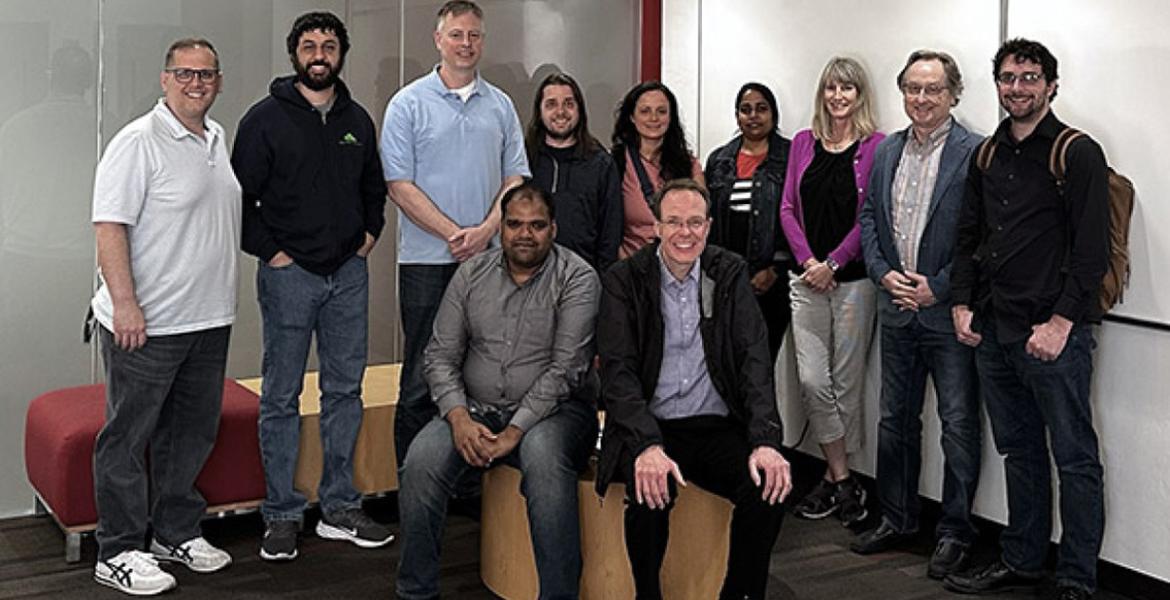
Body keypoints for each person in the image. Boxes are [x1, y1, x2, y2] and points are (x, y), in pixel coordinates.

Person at [944, 38, 1109, 600]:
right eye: (1009, 78)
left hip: (1054, 335)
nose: (1018, 87)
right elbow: (969, 237)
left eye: (1030, 77)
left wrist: (1061, 323)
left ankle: (1077, 578)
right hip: (996, 330)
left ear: (1051, 85)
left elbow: (1092, 253)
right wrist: (963, 303)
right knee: (1019, 451)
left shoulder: (1077, 152)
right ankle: (1023, 558)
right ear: (997, 86)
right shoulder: (988, 154)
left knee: (1075, 457)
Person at [233, 11, 392, 561]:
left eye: (328, 44)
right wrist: (273, 254)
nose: (319, 53)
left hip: (348, 274)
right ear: (294, 53)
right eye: (308, 45)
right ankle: (281, 513)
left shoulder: (357, 120)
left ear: (342, 53)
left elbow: (375, 186)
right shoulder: (264, 120)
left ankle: (340, 508)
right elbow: (241, 201)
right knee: (280, 395)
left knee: (344, 392)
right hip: (289, 277)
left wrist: (369, 236)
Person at [396, 183, 599, 600]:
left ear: (553, 229)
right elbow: (439, 355)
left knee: (543, 459)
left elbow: (566, 369)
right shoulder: (471, 274)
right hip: (475, 409)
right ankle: (416, 591)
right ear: (501, 229)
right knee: (420, 462)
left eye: (537, 225)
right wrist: (458, 418)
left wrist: (515, 431)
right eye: (515, 225)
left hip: (557, 414)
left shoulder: (578, 277)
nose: (525, 234)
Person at [89, 38, 238, 595]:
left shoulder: (216, 138)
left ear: (219, 81)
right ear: (164, 79)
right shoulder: (137, 141)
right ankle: (118, 549)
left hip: (206, 320)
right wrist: (125, 303)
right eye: (185, 74)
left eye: (206, 74)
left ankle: (173, 532)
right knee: (128, 437)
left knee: (190, 433)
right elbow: (109, 226)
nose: (196, 83)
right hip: (146, 323)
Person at [596, 179, 792, 600]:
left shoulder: (729, 272)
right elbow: (619, 373)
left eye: (695, 223)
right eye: (674, 222)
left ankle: (739, 593)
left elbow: (754, 360)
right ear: (656, 227)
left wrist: (765, 441)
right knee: (649, 495)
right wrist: (646, 445)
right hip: (653, 427)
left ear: (708, 225)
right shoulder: (624, 280)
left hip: (714, 424)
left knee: (768, 487)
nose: (686, 233)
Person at [381, 0, 528, 466]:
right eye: (457, 35)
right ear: (438, 39)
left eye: (474, 36)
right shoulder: (407, 104)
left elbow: (515, 179)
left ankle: (467, 482)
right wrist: (453, 234)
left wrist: (486, 230)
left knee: (480, 375)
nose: (466, 44)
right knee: (423, 374)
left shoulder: (501, 104)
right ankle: (415, 486)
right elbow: (398, 185)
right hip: (427, 261)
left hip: (487, 261)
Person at [853, 50, 981, 579]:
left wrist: (941, 288)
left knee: (957, 424)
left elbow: (983, 236)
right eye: (912, 88)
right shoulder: (887, 151)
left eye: (932, 89)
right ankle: (899, 517)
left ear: (954, 93)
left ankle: (954, 531)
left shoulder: (975, 153)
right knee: (894, 420)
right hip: (896, 305)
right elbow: (869, 217)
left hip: (945, 313)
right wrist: (884, 274)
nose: (921, 98)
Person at [780, 56, 884, 527]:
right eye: (831, 88)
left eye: (848, 89)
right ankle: (845, 480)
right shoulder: (804, 142)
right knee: (812, 382)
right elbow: (786, 208)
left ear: (860, 96)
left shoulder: (876, 147)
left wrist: (835, 263)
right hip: (806, 281)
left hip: (854, 284)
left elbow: (871, 217)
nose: (838, 97)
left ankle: (833, 478)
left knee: (844, 385)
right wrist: (809, 263)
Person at [704, 82, 793, 359]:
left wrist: (775, 268)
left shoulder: (790, 156)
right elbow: (710, 221)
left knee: (764, 360)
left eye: (761, 109)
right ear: (737, 116)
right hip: (728, 279)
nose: (753, 116)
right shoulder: (719, 160)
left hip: (773, 281)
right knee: (730, 360)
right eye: (746, 110)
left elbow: (796, 216)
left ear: (773, 115)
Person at [525, 72, 622, 272]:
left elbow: (610, 233)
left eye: (569, 104)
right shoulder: (523, 161)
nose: (561, 112)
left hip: (584, 278)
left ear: (580, 110)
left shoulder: (601, 164)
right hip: (528, 276)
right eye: (551, 104)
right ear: (539, 111)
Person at [611, 81, 705, 258]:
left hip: (680, 266)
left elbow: (701, 218)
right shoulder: (616, 164)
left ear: (670, 117)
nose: (653, 118)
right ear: (632, 117)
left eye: (661, 111)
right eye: (645, 111)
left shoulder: (688, 165)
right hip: (631, 268)